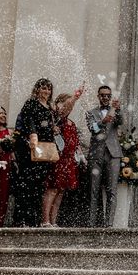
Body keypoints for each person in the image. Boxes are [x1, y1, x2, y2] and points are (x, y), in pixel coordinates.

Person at [13, 78, 55, 227]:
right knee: (27, 183)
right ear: (37, 89)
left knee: (38, 185)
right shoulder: (31, 103)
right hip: (32, 147)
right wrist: (33, 134)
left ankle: (33, 219)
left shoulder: (50, 107)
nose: (46, 91)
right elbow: (29, 120)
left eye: (49, 89)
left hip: (45, 149)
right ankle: (21, 219)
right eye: (43, 88)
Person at [42, 88, 84, 227]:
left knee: (60, 192)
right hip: (58, 159)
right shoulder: (56, 118)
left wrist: (81, 157)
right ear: (58, 104)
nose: (68, 108)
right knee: (52, 189)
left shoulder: (72, 123)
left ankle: (53, 221)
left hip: (69, 161)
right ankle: (45, 221)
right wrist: (74, 98)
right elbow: (65, 108)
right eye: (65, 104)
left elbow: (76, 143)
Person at [86, 85, 122, 227]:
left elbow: (121, 122)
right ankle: (92, 224)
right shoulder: (91, 112)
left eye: (108, 95)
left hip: (113, 155)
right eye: (103, 95)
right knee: (93, 191)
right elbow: (92, 129)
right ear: (98, 96)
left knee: (112, 190)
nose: (105, 97)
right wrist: (103, 121)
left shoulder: (115, 111)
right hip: (96, 154)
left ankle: (109, 224)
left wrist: (118, 109)